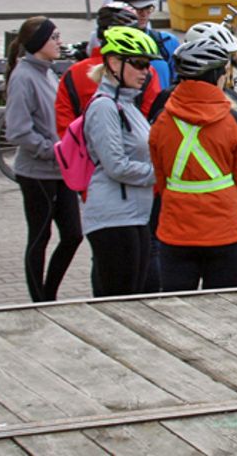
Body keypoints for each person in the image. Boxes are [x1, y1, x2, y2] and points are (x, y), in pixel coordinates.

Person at [149, 38, 237, 292]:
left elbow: (160, 177)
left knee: (177, 312)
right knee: (227, 314)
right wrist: (225, 202)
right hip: (226, 230)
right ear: (218, 75)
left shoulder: (162, 122)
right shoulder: (232, 122)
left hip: (176, 231)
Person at [5, 17, 80, 302]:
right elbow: (18, 130)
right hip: (36, 172)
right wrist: (52, 149)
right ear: (39, 44)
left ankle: (49, 294)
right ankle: (40, 300)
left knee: (73, 234)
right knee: (40, 236)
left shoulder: (48, 72)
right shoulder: (24, 76)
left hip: (61, 170)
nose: (60, 42)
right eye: (54, 37)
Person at [81, 26, 160, 297]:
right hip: (113, 218)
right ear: (114, 62)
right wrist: (160, 173)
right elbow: (116, 165)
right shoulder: (104, 106)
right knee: (119, 302)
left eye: (147, 65)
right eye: (138, 64)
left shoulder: (127, 103)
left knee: (134, 299)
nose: (145, 72)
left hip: (134, 215)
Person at [57, 1, 159, 137]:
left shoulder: (73, 73)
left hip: (82, 152)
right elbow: (150, 119)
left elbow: (64, 125)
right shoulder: (147, 72)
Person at [112, 0, 180, 88]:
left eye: (148, 8)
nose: (144, 13)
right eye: (138, 8)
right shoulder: (108, 44)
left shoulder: (167, 42)